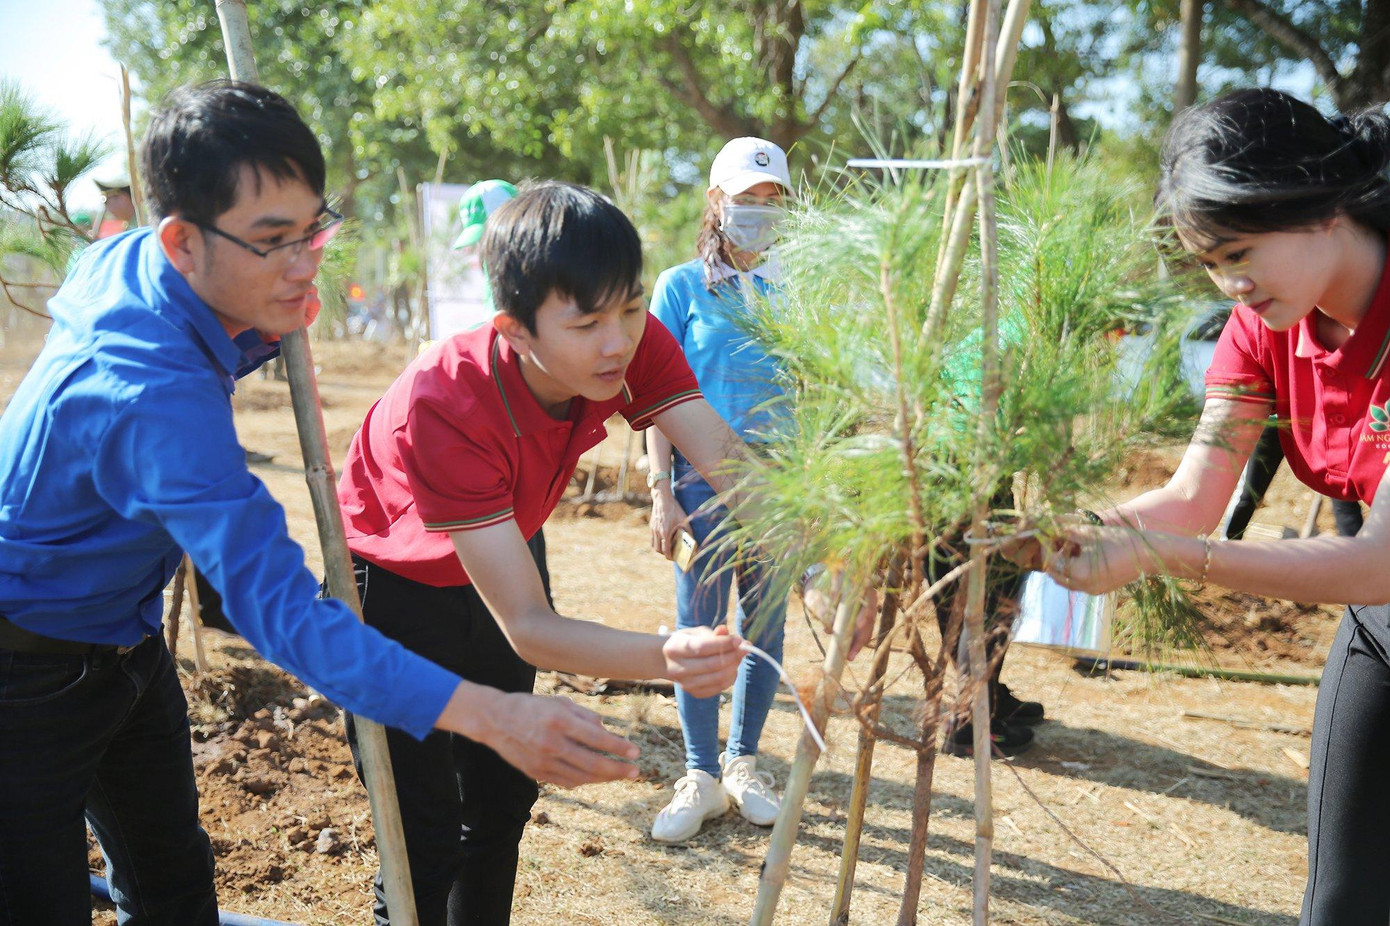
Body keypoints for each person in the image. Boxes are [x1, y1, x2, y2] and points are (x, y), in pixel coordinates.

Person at [0, 81, 648, 926]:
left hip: (125, 641)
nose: (307, 264)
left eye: (313, 229)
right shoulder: (152, 400)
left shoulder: (133, 262)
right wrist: (494, 715)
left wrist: (269, 312)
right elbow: (289, 618)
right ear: (183, 241)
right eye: (274, 242)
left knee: (170, 890)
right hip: (25, 668)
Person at [335, 180, 823, 925]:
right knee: (420, 834)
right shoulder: (446, 404)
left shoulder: (628, 342)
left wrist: (824, 550)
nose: (617, 341)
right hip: (394, 577)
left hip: (502, 537)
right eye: (588, 321)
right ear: (517, 330)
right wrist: (669, 652)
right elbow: (528, 624)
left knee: (500, 800)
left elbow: (722, 457)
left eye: (629, 307)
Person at [1037, 88, 1390, 926]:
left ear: (1320, 206)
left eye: (1239, 251)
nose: (1229, 282)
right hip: (1382, 624)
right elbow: (1195, 495)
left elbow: (1379, 559)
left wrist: (1161, 557)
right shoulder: (1264, 321)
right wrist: (1074, 535)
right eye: (1208, 263)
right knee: (1341, 903)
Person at [644, 136, 795, 842]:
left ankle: (744, 766)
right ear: (716, 202)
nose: (759, 213)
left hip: (779, 485)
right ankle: (700, 775)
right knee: (700, 629)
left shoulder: (794, 292)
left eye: (772, 201)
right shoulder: (680, 287)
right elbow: (654, 396)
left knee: (764, 629)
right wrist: (660, 491)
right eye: (746, 200)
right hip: (699, 487)